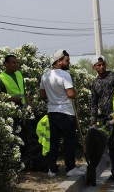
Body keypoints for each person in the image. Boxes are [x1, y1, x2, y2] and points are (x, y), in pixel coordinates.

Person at [40, 49, 85, 177]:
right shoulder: (65, 75)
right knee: (68, 142)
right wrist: (75, 94)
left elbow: (42, 95)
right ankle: (70, 168)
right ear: (58, 61)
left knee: (53, 142)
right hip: (66, 112)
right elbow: (70, 94)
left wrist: (53, 96)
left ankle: (52, 169)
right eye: (67, 60)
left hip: (52, 112)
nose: (69, 62)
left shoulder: (45, 76)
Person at [89, 56, 114, 182]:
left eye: (103, 64)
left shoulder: (113, 77)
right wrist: (92, 122)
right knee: (112, 147)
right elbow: (93, 103)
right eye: (98, 65)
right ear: (94, 67)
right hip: (105, 119)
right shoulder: (94, 83)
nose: (101, 67)